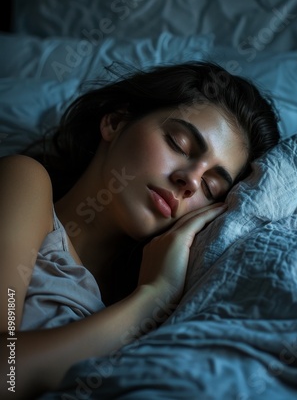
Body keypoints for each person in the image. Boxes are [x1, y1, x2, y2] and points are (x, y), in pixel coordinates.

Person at [0, 61, 280, 398]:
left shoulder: (163, 299)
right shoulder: (25, 181)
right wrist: (153, 296)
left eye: (211, 188)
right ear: (116, 121)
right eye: (179, 144)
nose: (190, 180)